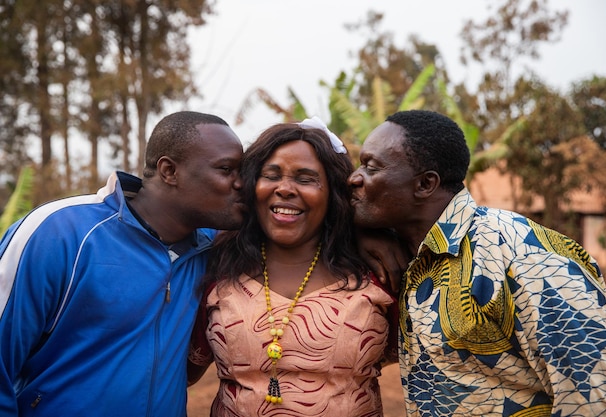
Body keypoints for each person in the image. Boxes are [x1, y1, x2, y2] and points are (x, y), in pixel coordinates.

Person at [348, 109, 606, 416]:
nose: (354, 178)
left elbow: (596, 402)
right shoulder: (409, 258)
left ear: (425, 184)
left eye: (371, 167)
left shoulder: (526, 257)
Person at [0, 111, 246, 416]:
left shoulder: (214, 247)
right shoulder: (59, 234)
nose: (242, 184)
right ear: (169, 171)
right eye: (227, 169)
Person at [187, 117, 398, 416]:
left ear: (333, 193)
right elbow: (184, 372)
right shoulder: (217, 265)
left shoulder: (379, 272)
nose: (285, 188)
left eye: (305, 178)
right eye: (271, 175)